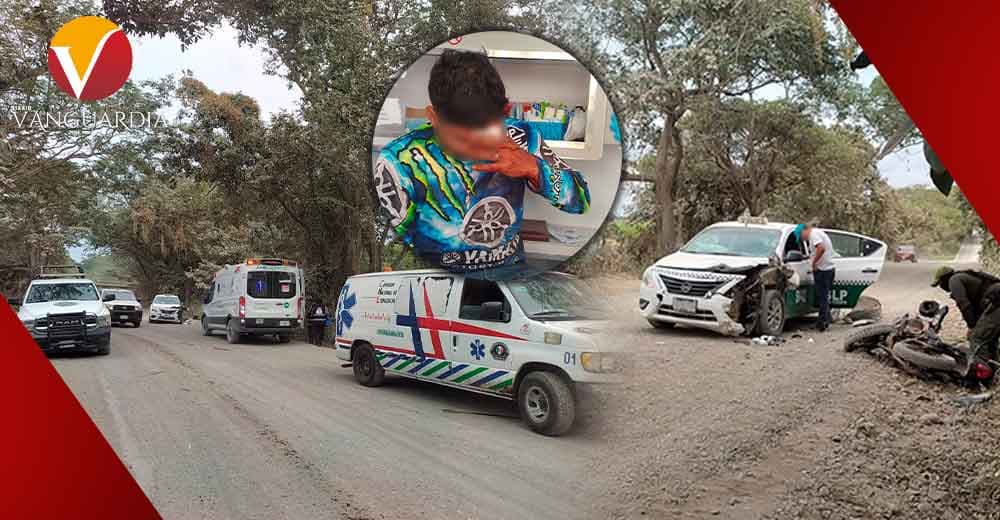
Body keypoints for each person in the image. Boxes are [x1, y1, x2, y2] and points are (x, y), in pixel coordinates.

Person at [373, 50, 591, 273]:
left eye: (487, 132)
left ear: (505, 112)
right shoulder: (399, 161)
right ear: (434, 118)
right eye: (461, 138)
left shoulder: (522, 136)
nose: (476, 149)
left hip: (509, 277)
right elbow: (388, 249)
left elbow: (581, 199)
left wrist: (535, 169)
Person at [931, 266, 1000, 362]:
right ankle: (994, 366)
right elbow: (978, 312)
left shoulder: (954, 280)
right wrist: (974, 325)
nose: (941, 287)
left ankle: (983, 368)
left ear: (944, 279)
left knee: (976, 338)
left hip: (997, 302)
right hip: (995, 301)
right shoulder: (965, 277)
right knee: (989, 338)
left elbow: (964, 304)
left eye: (939, 284)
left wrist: (971, 326)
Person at [794, 223, 836, 331]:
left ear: (804, 231)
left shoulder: (814, 235)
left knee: (822, 297)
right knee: (823, 296)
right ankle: (826, 320)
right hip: (827, 269)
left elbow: (821, 248)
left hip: (823, 270)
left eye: (801, 236)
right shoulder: (817, 233)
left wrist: (814, 263)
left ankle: (822, 323)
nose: (802, 239)